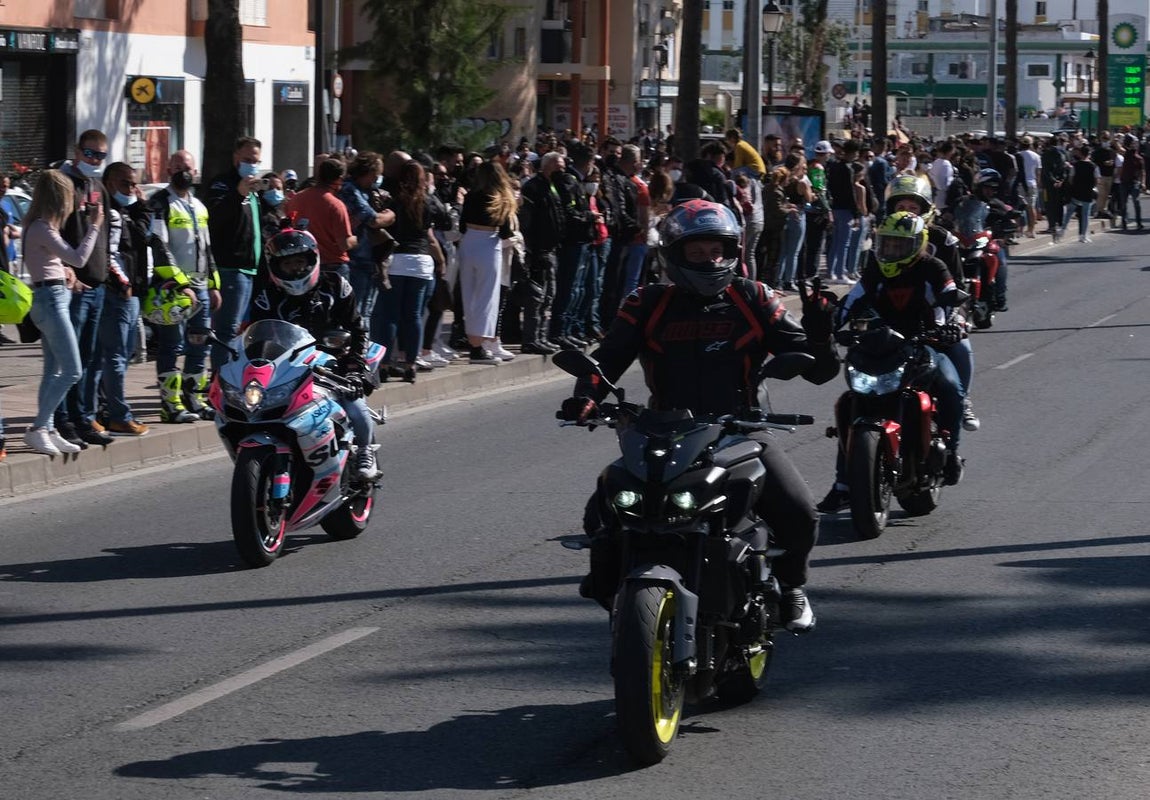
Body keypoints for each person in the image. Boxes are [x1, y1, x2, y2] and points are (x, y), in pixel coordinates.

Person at [560, 199, 840, 632]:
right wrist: (587, 397)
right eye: (697, 252)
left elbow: (819, 372)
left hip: (741, 430)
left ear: (733, 251)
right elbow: (608, 358)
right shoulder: (647, 302)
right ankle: (610, 582)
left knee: (800, 511)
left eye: (718, 250)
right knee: (605, 508)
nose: (710, 260)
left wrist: (821, 336)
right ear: (674, 254)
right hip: (663, 432)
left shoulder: (754, 296)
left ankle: (793, 587)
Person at [816, 211, 967, 514]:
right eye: (887, 244)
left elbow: (949, 293)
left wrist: (950, 321)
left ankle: (950, 454)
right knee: (849, 404)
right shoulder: (875, 270)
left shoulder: (933, 267)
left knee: (952, 387)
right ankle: (844, 484)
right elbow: (852, 299)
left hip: (922, 345)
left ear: (916, 245)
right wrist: (828, 323)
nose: (891, 251)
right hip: (876, 347)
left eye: (900, 246)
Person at [248, 226, 381, 479]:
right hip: (287, 367)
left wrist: (354, 367)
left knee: (354, 405)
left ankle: (365, 450)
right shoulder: (267, 297)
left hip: (335, 363)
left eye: (300, 261)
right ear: (275, 267)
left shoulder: (336, 286)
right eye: (288, 265)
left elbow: (358, 328)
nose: (295, 269)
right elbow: (255, 337)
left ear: (312, 259)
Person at [885, 173, 978, 431]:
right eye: (900, 207)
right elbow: (868, 284)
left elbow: (958, 287)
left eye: (913, 208)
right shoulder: (883, 236)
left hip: (934, 321)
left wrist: (956, 319)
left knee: (962, 348)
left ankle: (964, 399)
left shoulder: (943, 240)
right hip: (891, 320)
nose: (906, 213)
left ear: (926, 210)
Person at [20, 169, 103, 456]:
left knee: (53, 370)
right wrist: (94, 226)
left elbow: (54, 263)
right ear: (59, 198)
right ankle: (39, 427)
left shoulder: (40, 227)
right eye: (69, 196)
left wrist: (68, 276)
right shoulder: (42, 227)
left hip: (54, 297)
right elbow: (79, 257)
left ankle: (48, 428)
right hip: (51, 301)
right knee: (72, 370)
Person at [147, 150, 221, 423]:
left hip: (201, 286)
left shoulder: (199, 206)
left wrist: (214, 284)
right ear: (168, 169)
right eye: (177, 165)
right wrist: (179, 283)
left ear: (195, 170)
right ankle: (170, 405)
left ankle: (195, 399)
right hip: (172, 288)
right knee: (171, 345)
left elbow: (207, 247)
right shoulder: (160, 203)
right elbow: (159, 245)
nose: (183, 170)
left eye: (187, 165)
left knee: (200, 344)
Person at [56, 130, 114, 448]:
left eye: (100, 156)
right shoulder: (63, 184)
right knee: (70, 359)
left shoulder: (97, 186)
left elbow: (105, 234)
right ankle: (62, 418)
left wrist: (108, 271)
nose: (93, 160)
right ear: (77, 150)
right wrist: (66, 269)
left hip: (97, 283)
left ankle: (82, 416)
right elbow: (53, 230)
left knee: (89, 358)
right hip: (73, 285)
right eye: (89, 154)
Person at [370, 159, 449, 380]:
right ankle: (411, 365)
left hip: (397, 260)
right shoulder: (429, 201)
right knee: (414, 316)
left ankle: (384, 365)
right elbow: (441, 226)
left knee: (390, 316)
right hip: (422, 262)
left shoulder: (394, 202)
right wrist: (441, 261)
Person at [97, 161, 150, 435]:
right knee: (114, 357)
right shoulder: (107, 212)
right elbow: (109, 253)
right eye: (125, 183)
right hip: (117, 292)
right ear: (108, 184)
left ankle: (105, 408)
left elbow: (144, 237)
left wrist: (141, 206)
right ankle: (117, 414)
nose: (131, 189)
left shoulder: (130, 211)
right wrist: (123, 284)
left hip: (133, 292)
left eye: (133, 183)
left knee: (122, 355)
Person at [204, 136, 264, 370]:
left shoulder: (253, 189)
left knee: (240, 330)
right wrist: (237, 193)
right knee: (226, 331)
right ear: (236, 158)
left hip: (250, 269)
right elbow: (216, 218)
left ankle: (231, 378)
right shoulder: (224, 184)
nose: (251, 164)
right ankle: (221, 381)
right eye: (247, 159)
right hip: (231, 268)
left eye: (255, 160)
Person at [458, 160, 519, 363]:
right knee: (487, 296)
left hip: (469, 242)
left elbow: (461, 225)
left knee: (469, 294)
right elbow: (505, 231)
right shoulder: (500, 198)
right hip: (488, 242)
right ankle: (479, 346)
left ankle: (474, 341)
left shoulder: (470, 195)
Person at [517, 150, 567, 354]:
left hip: (551, 249)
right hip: (538, 251)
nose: (561, 171)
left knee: (548, 296)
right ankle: (530, 339)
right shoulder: (533, 187)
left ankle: (540, 336)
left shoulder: (553, 187)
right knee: (536, 297)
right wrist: (532, 251)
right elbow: (527, 223)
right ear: (547, 166)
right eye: (558, 167)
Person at [285, 157, 355, 280]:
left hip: (304, 267)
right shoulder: (335, 205)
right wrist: (354, 239)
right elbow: (344, 244)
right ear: (339, 179)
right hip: (333, 267)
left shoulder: (296, 199)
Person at [1058, 145, 1099, 244]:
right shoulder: (1094, 166)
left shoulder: (1075, 165)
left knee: (1069, 211)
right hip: (1088, 192)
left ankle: (1063, 229)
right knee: (1085, 215)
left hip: (1076, 192)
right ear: (1089, 154)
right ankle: (1083, 236)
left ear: (1080, 154)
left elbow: (1071, 179)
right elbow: (1097, 180)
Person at [1117, 134, 1144, 230]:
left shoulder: (1139, 158)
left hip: (1134, 182)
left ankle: (1139, 222)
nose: (1134, 145)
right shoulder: (1127, 154)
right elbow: (1119, 148)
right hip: (1124, 182)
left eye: (1135, 144)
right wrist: (1119, 138)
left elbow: (1142, 172)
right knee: (1124, 203)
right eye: (1132, 143)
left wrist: (1142, 183)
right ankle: (1124, 222)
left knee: (1136, 202)